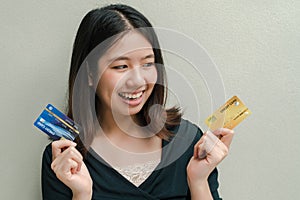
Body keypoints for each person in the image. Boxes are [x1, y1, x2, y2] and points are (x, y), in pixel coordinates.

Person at [41, 4, 234, 200]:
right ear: (90, 74)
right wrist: (81, 194)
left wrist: (198, 181)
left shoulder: (187, 141)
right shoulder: (64, 157)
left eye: (148, 63)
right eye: (121, 66)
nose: (138, 81)